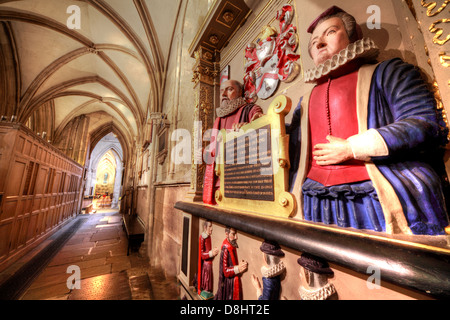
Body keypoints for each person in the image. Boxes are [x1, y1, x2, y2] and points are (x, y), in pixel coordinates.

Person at [288, 6, 450, 235]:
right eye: (314, 42)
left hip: (376, 192)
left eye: (330, 32)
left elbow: (423, 123)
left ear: (354, 37)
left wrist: (352, 147)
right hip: (314, 197)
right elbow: (292, 149)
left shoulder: (389, 72)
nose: (319, 43)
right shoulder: (304, 101)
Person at [203, 79, 263, 205]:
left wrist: (248, 126)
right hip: (218, 182)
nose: (224, 94)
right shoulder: (218, 120)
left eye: (229, 89)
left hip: (241, 183)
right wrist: (205, 152)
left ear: (240, 92)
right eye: (221, 91)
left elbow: (261, 124)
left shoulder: (250, 109)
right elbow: (215, 150)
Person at [215, 227, 248, 300]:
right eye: (233, 234)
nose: (236, 237)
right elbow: (225, 271)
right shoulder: (226, 248)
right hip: (229, 284)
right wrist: (238, 268)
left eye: (236, 234)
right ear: (226, 234)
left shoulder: (232, 246)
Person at [197, 220, 218, 299]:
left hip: (209, 262)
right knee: (207, 278)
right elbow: (202, 254)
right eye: (210, 226)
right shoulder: (203, 237)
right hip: (206, 264)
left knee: (209, 279)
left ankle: (207, 290)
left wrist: (213, 252)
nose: (211, 229)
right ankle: (205, 290)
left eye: (211, 226)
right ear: (205, 228)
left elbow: (208, 250)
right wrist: (211, 253)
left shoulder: (208, 237)